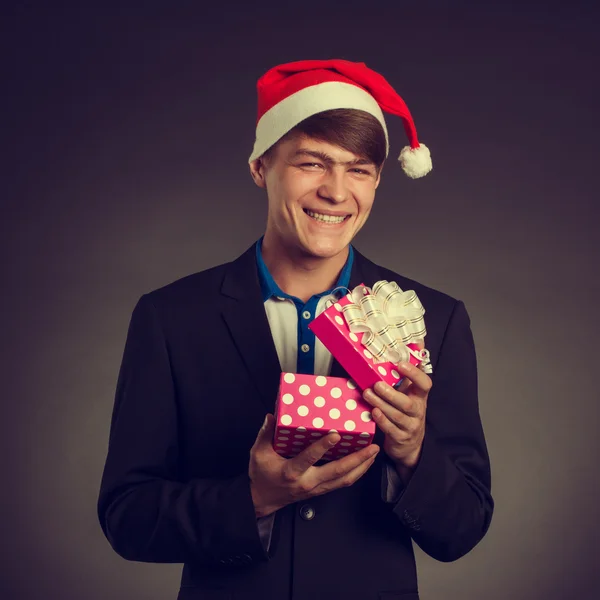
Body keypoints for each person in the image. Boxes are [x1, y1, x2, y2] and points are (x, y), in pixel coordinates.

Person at [97, 59, 494, 600]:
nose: (336, 191)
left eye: (358, 170)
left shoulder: (435, 319)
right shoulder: (171, 318)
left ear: (377, 180)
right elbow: (127, 515)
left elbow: (464, 528)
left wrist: (414, 453)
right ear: (261, 166)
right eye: (312, 163)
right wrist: (251, 499)